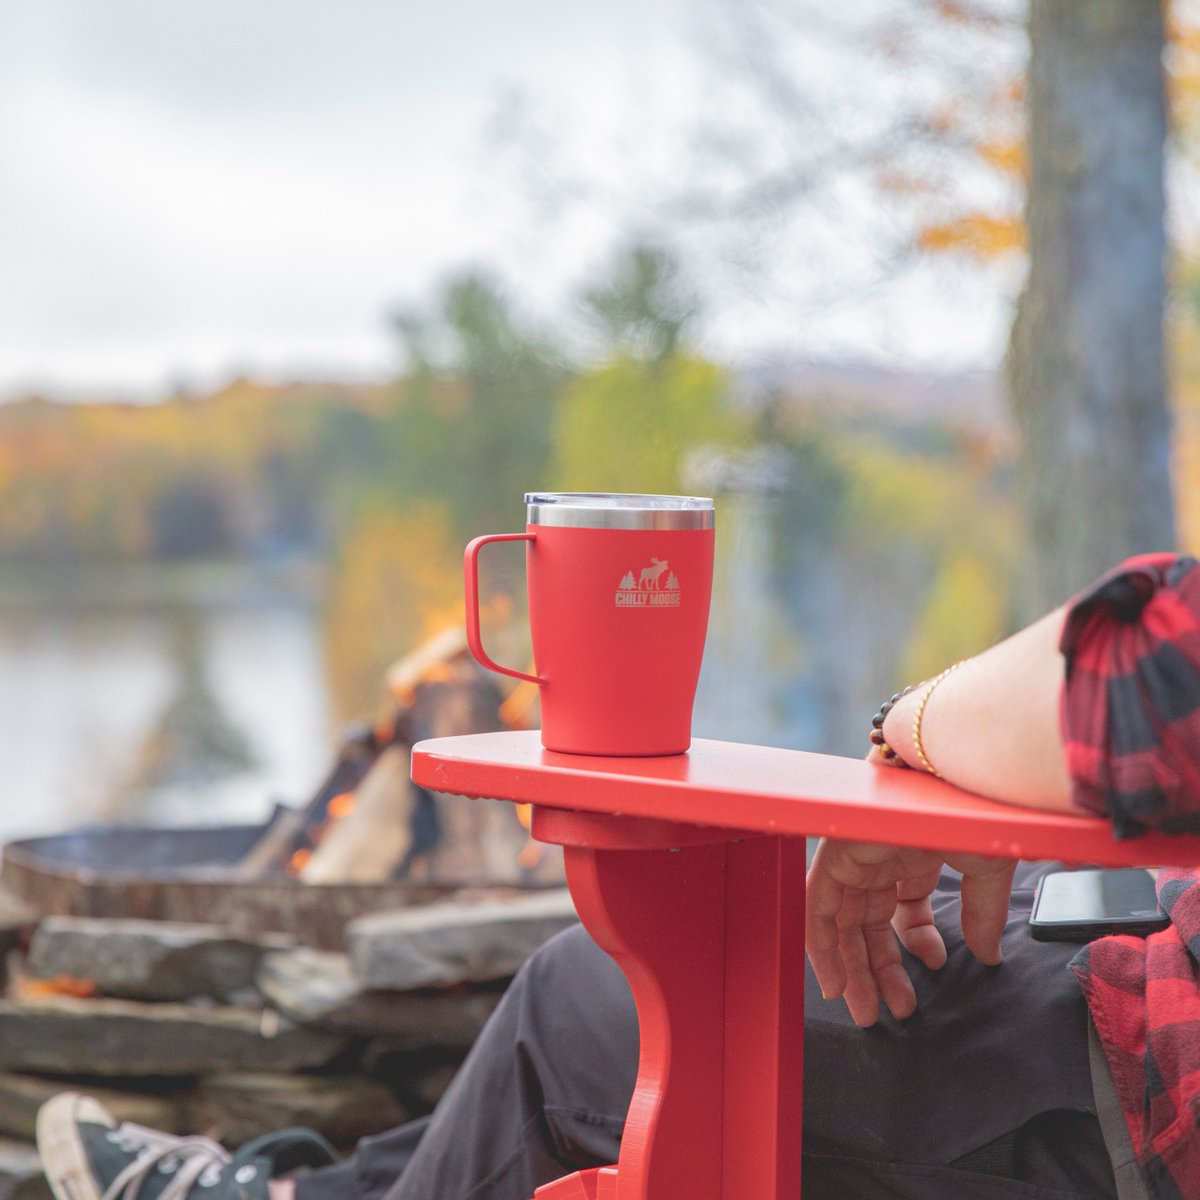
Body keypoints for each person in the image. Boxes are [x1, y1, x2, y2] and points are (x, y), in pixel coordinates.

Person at [35, 552, 1200, 1200]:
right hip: (1146, 945)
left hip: (1145, 1087)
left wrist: (911, 726)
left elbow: (1133, 674)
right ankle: (290, 1195)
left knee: (600, 999)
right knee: (668, 986)